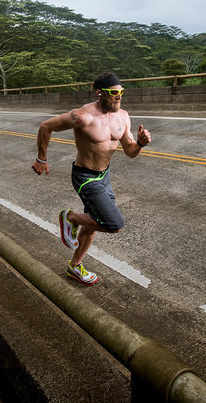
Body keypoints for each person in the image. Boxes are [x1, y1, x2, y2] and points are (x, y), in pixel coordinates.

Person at [31, 72, 151, 286]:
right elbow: (46, 126)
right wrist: (41, 158)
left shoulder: (122, 116)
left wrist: (140, 144)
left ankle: (75, 266)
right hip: (85, 177)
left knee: (95, 221)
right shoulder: (83, 116)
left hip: (104, 175)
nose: (119, 97)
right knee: (114, 224)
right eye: (114, 93)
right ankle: (71, 218)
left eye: (122, 92)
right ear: (100, 94)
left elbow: (130, 151)